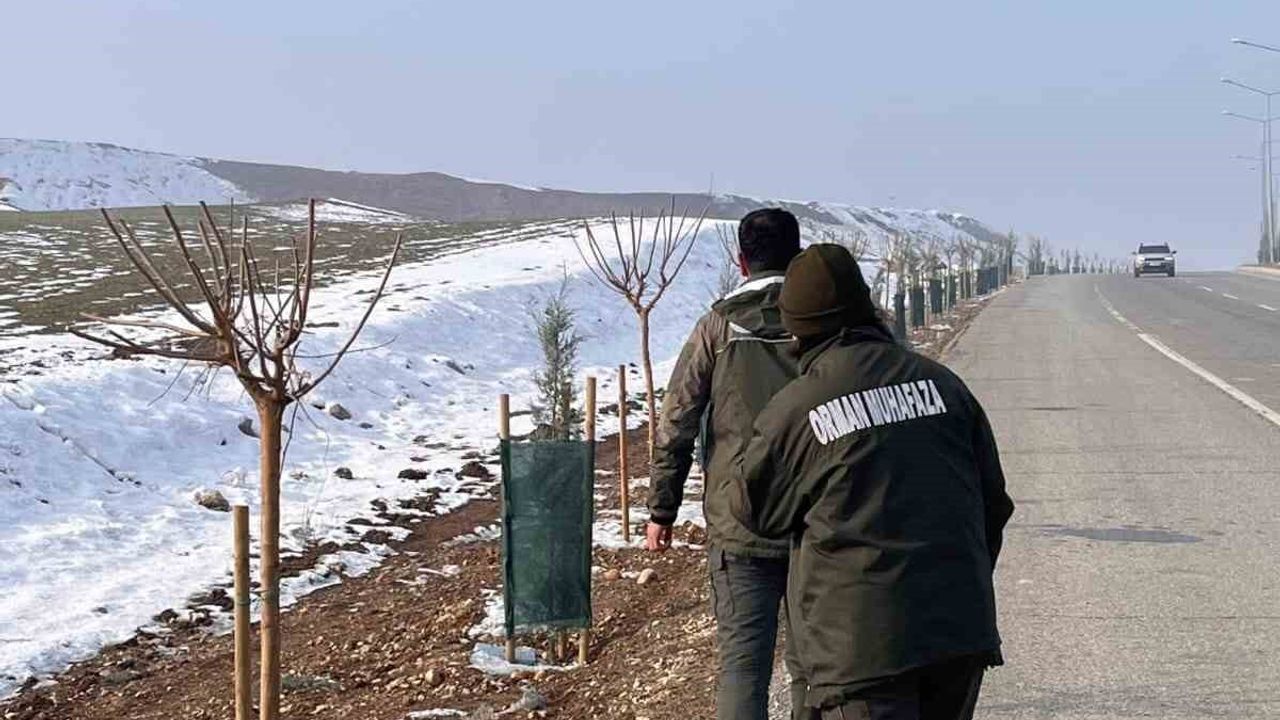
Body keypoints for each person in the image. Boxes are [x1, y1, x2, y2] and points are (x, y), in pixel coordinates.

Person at [731, 243, 1015, 720]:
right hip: (959, 635)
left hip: (862, 654)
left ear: (796, 327)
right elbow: (993, 506)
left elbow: (755, 511)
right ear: (869, 309)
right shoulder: (943, 386)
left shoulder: (798, 409)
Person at [646, 208, 806, 720]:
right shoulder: (829, 322)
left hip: (741, 520)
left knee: (742, 669)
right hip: (822, 519)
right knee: (817, 666)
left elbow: (677, 419)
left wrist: (661, 510)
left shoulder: (716, 325)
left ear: (741, 262)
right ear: (799, 258)